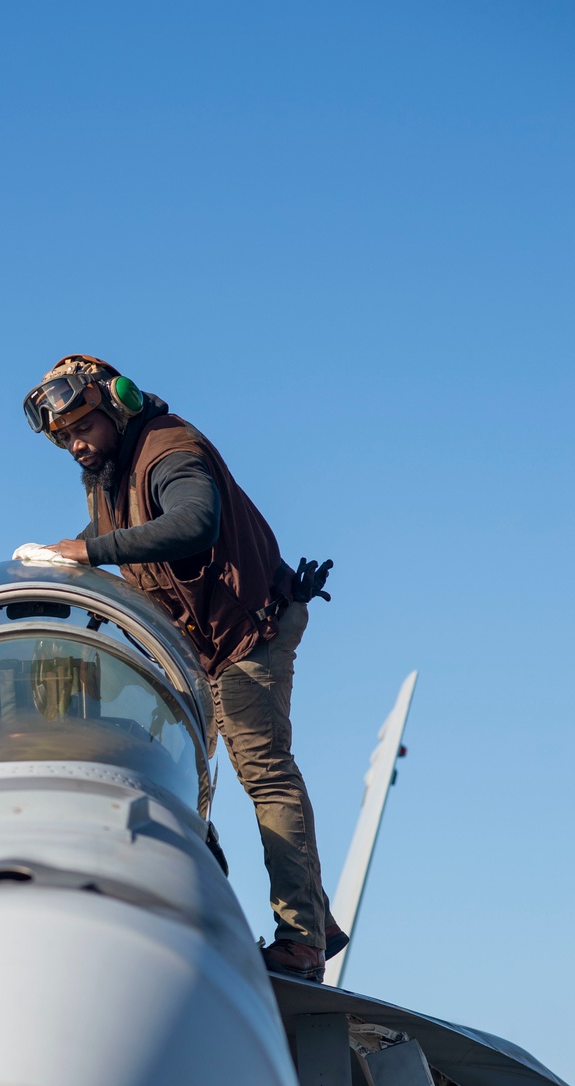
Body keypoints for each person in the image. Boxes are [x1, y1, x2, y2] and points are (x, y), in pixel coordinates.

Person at [21, 353, 347, 983]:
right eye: (64, 438)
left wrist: (90, 551)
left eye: (83, 428)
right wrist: (68, 558)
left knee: (264, 772)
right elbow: (123, 524)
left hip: (251, 632)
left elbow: (195, 523)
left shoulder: (171, 451)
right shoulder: (113, 468)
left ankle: (303, 939)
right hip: (199, 644)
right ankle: (274, 910)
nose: (76, 445)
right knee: (164, 757)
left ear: (115, 403)